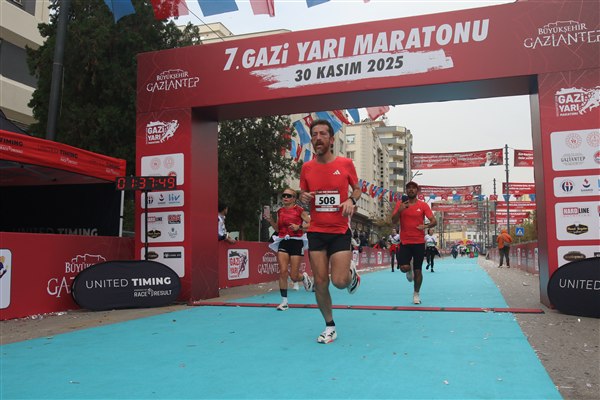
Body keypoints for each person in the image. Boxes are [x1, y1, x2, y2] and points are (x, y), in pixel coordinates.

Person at [299, 119, 361, 344]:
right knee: (320, 282)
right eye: (314, 134)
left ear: (331, 139)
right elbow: (303, 198)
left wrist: (351, 200)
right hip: (316, 231)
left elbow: (357, 189)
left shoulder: (345, 164)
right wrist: (303, 197)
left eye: (322, 134)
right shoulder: (306, 167)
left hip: (339, 230)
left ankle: (351, 275)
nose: (318, 138)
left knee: (339, 282)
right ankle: (329, 326)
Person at [264, 188, 313, 311]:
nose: (285, 197)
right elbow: (278, 229)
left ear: (294, 198)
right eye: (284, 195)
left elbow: (312, 224)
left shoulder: (300, 210)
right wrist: (271, 221)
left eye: (288, 196)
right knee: (283, 271)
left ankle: (303, 277)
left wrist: (299, 227)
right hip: (283, 241)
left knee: (294, 276)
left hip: (296, 242)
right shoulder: (280, 211)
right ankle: (284, 302)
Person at [391, 181, 437, 305]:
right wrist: (400, 210)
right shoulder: (400, 204)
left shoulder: (423, 205)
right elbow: (393, 221)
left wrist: (426, 226)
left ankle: (416, 294)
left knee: (418, 271)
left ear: (417, 191)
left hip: (419, 242)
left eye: (413, 188)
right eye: (409, 188)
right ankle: (408, 269)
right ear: (406, 190)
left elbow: (434, 221)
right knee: (403, 268)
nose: (411, 190)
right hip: (405, 242)